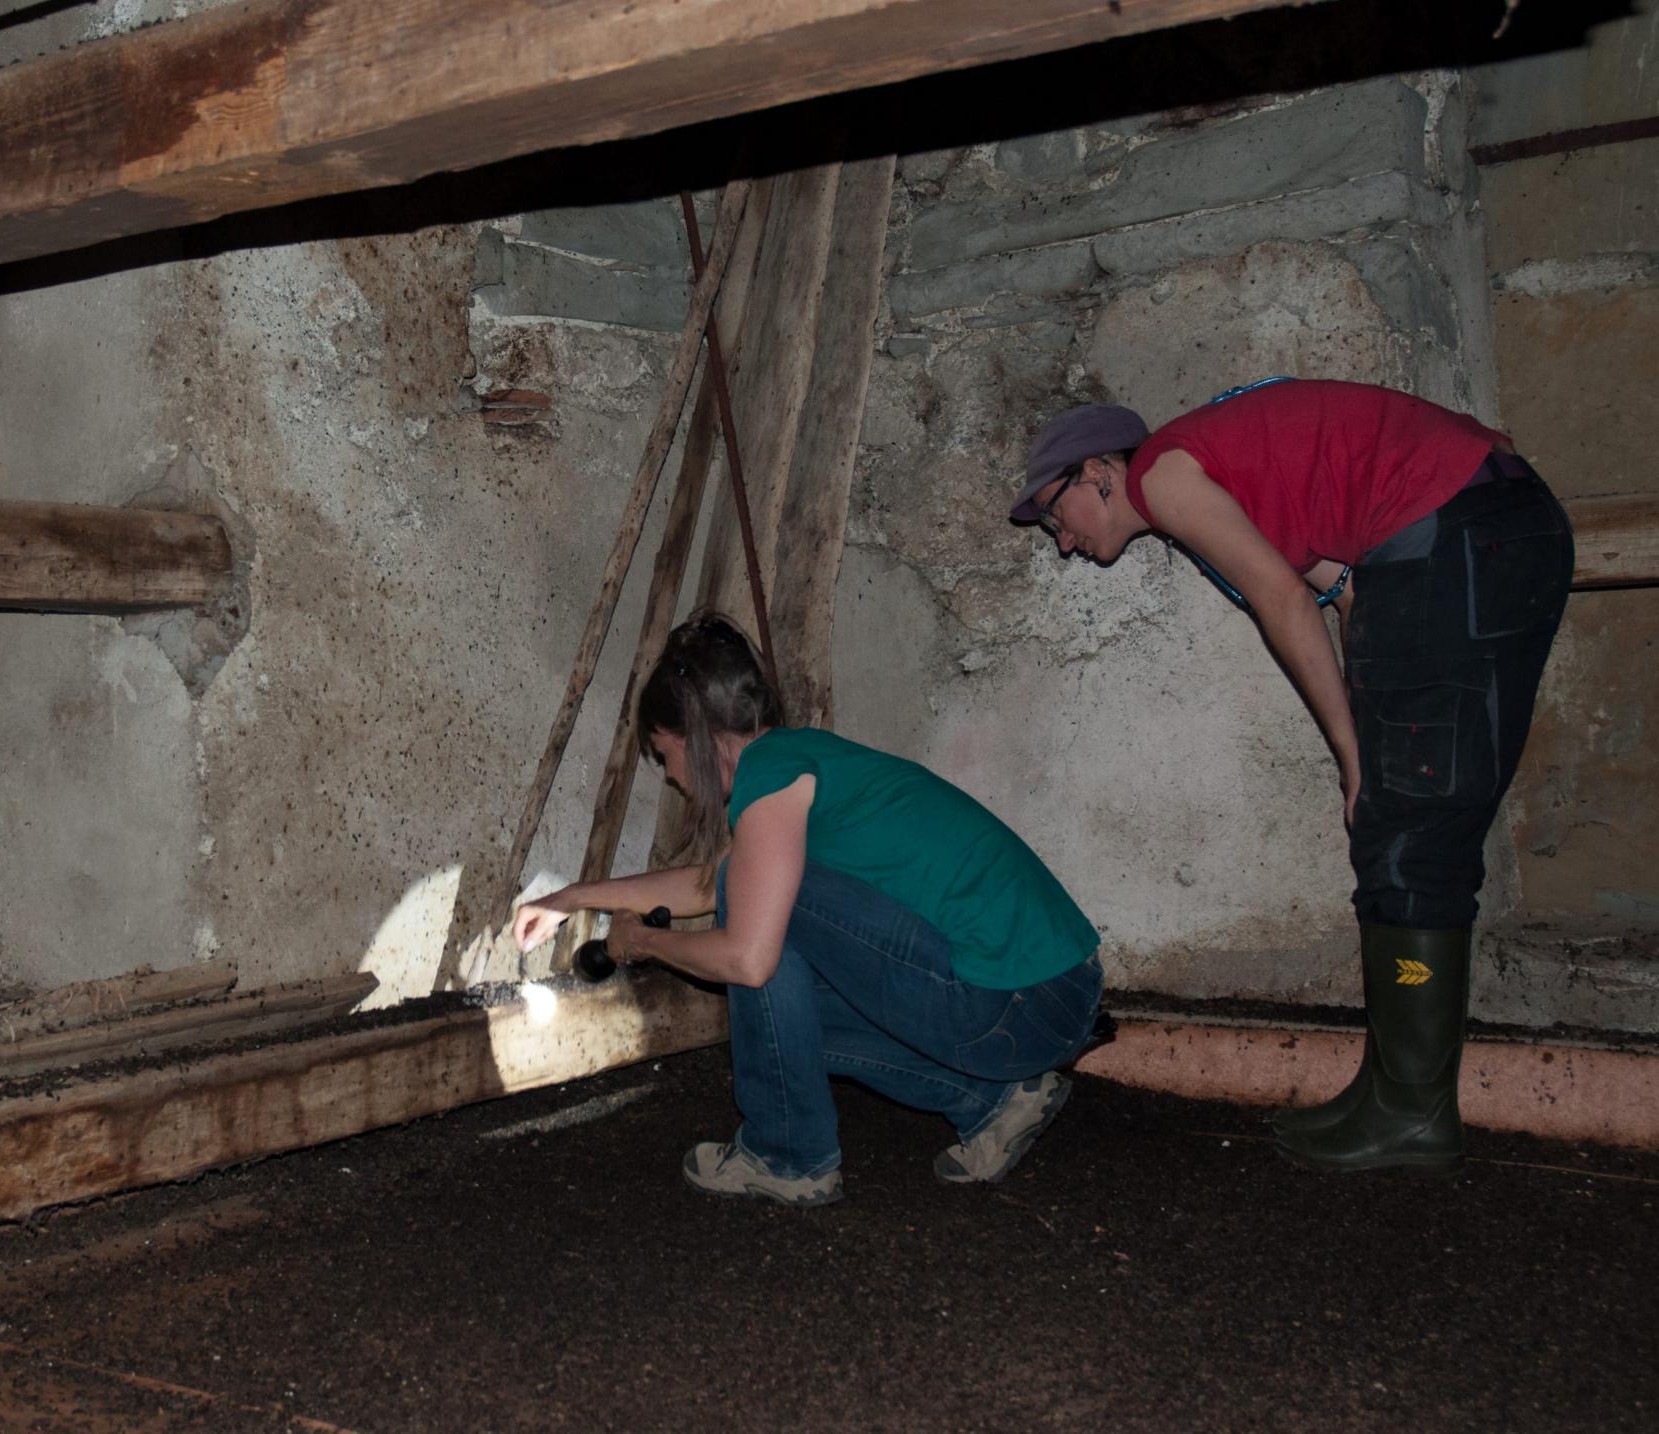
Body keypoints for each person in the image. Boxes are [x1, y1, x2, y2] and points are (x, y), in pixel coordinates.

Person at [1009, 378, 1573, 1174]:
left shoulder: (1165, 475)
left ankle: (1413, 1113)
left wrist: (1353, 759)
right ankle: (1391, 1090)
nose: (1060, 541)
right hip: (1478, 530)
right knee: (1401, 824)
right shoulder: (1215, 478)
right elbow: (1343, 593)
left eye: (1052, 512)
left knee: (1413, 835)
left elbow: (1282, 599)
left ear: (1099, 471)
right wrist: (1369, 754)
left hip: (1454, 533)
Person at [510, 614, 1104, 1206]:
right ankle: (994, 1101)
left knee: (756, 937)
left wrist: (643, 943)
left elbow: (747, 957)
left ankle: (786, 1155)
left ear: (696, 737)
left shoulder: (770, 773)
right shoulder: (797, 760)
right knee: (779, 1026)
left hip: (1017, 1004)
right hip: (1045, 998)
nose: (672, 778)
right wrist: (571, 898)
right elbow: (707, 886)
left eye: (665, 756)